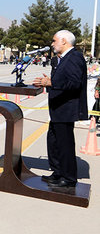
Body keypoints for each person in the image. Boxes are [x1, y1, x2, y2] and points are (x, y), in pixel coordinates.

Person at [33, 30, 87, 189]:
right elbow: (63, 80)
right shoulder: (62, 59)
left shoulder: (74, 57)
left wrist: (50, 83)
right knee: (54, 142)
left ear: (64, 41)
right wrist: (51, 80)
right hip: (58, 109)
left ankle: (69, 178)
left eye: (54, 40)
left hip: (66, 109)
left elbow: (75, 83)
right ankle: (58, 172)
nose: (52, 43)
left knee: (65, 145)